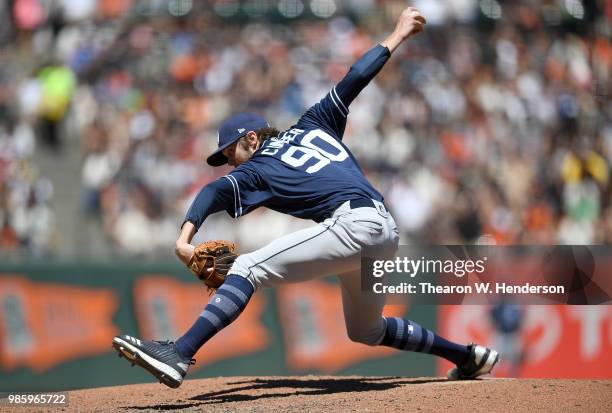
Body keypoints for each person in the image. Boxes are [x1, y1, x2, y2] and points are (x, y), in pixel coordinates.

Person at [112, 6, 498, 388]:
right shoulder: (315, 122)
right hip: (384, 231)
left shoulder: (257, 167)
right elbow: (356, 77)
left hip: (354, 227)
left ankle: (179, 352)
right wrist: (397, 34)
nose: (230, 164)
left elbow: (213, 191)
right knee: (367, 330)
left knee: (247, 268)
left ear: (251, 138)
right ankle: (466, 356)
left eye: (231, 153)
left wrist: (184, 238)